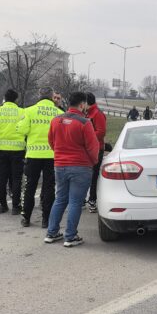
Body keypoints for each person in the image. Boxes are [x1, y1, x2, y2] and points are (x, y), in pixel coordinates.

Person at [45, 92, 100, 247]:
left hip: (60, 165)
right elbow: (93, 147)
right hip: (80, 166)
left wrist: (59, 154)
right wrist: (93, 161)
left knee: (60, 198)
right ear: (82, 104)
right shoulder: (84, 122)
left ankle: (52, 232)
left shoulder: (56, 120)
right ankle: (70, 236)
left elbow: (51, 140)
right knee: (75, 202)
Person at [17, 87, 64, 228]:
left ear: (39, 95)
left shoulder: (29, 111)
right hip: (52, 155)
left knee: (30, 186)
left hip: (33, 155)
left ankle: (26, 217)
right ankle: (46, 219)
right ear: (51, 96)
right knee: (49, 187)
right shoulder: (59, 113)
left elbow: (22, 130)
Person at [0, 89, 26, 215]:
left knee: (1, 178)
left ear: (4, 98)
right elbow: (26, 130)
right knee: (16, 179)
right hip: (18, 151)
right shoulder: (22, 112)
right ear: (16, 99)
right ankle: (16, 206)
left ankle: (2, 205)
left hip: (1, 151)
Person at [84, 92, 107, 212]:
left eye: (83, 101)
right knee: (84, 174)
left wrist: (87, 137)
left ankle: (92, 200)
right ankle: (83, 198)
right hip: (87, 149)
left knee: (93, 176)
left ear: (87, 102)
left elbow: (101, 132)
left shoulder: (97, 114)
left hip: (97, 149)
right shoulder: (87, 113)